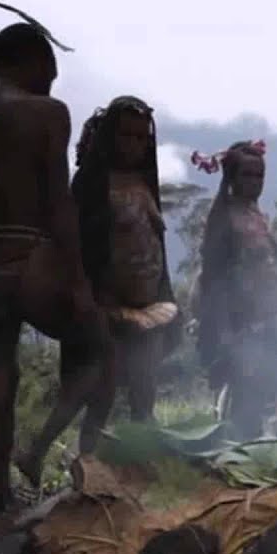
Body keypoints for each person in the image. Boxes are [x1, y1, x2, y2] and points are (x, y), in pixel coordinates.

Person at [0, 23, 115, 522]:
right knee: (101, 347)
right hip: (28, 252)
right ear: (28, 59)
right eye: (50, 68)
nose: (54, 79)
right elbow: (57, 202)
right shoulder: (46, 113)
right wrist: (75, 280)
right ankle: (38, 448)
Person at [194, 141, 277, 438]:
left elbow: (272, 262)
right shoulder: (224, 218)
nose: (255, 183)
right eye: (247, 175)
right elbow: (214, 280)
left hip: (270, 315)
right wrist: (225, 332)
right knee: (248, 392)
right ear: (231, 177)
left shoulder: (255, 214)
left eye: (259, 176)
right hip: (240, 321)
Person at [69, 99, 180, 415]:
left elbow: (155, 241)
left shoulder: (145, 183)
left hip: (150, 303)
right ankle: (85, 458)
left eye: (142, 138)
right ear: (109, 136)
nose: (135, 145)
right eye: (126, 136)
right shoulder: (90, 184)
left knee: (144, 394)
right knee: (99, 396)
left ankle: (141, 459)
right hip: (106, 305)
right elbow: (78, 244)